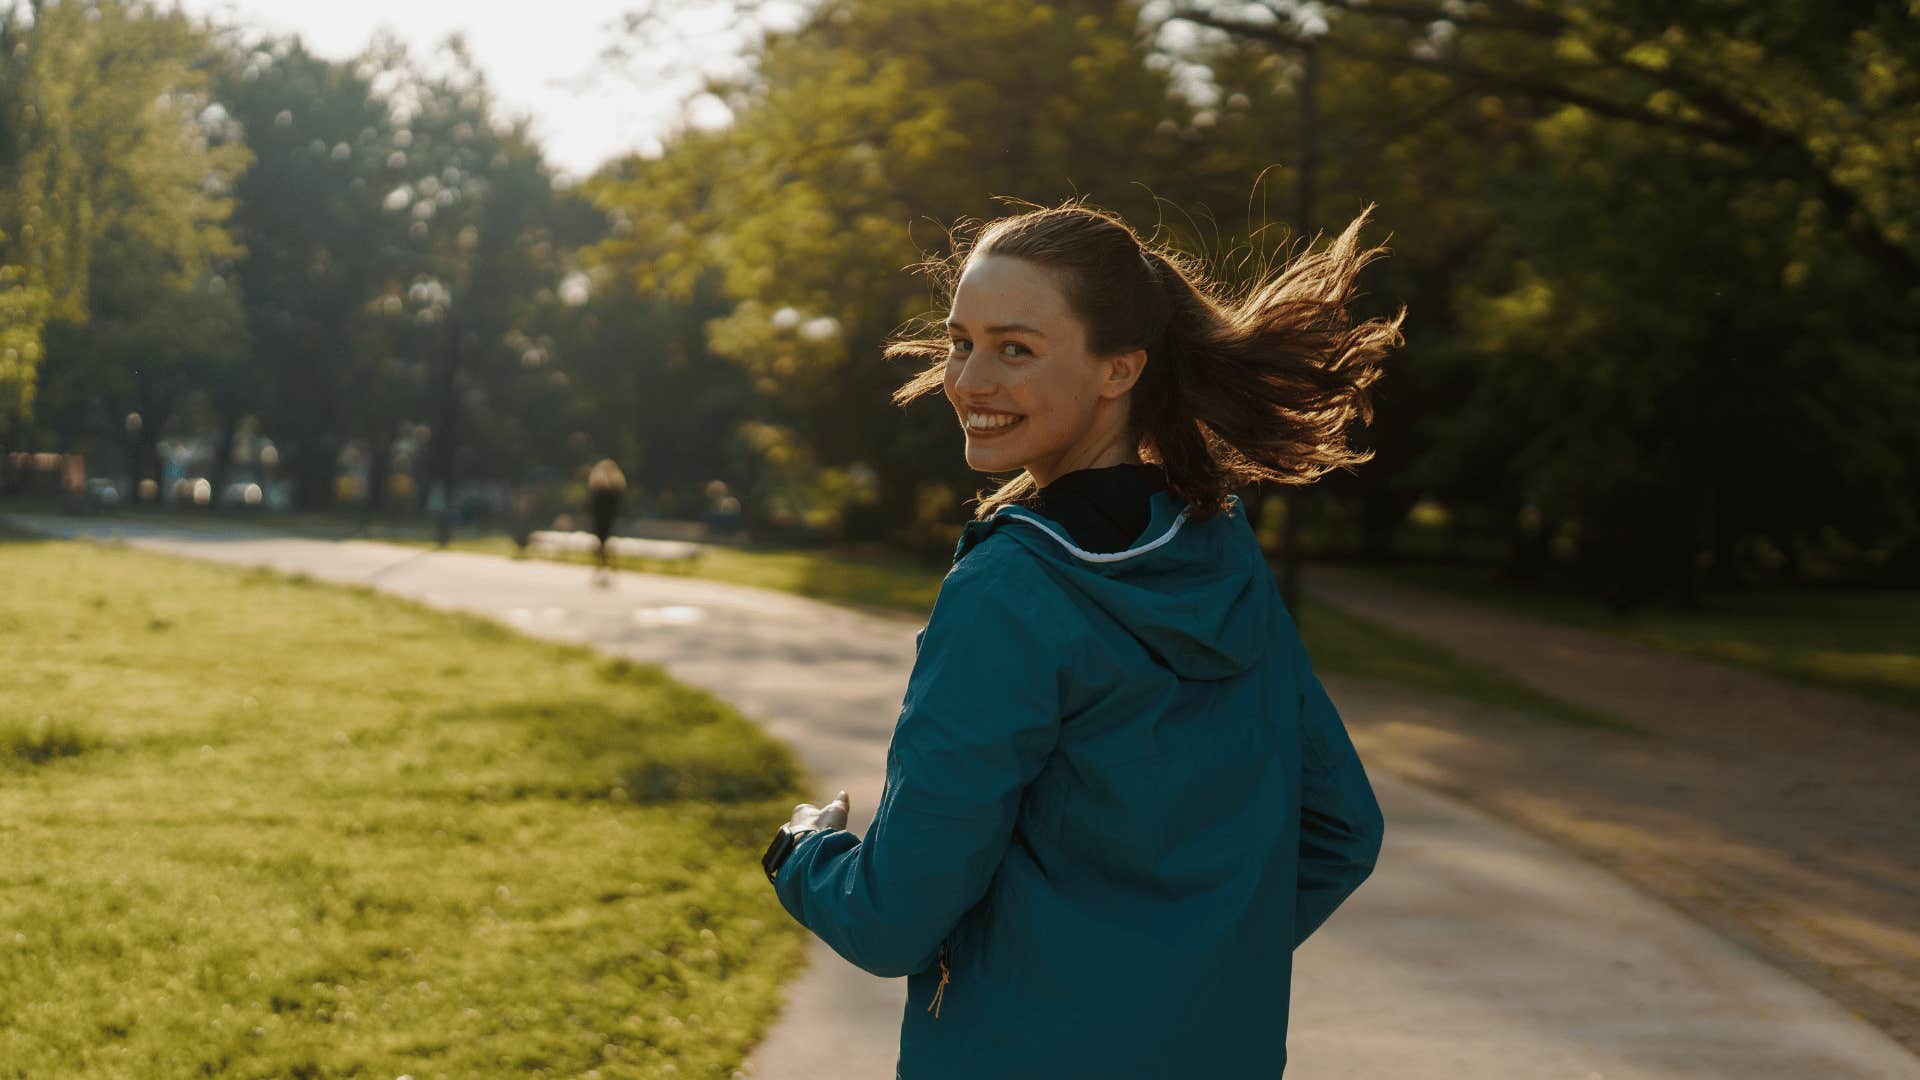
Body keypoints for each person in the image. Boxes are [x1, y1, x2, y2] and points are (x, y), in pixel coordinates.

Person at [762, 197, 1405, 1078]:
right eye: (961, 342)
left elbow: (892, 919)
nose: (966, 380)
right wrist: (1173, 974)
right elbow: (1341, 831)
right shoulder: (1221, 552)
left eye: (1014, 349)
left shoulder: (1007, 591)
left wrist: (803, 852)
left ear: (1120, 370)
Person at [585, 458, 626, 579]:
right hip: (607, 517)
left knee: (602, 541)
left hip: (603, 517)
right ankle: (606, 563)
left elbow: (592, 502)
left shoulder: (599, 484)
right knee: (603, 541)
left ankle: (604, 563)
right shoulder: (615, 484)